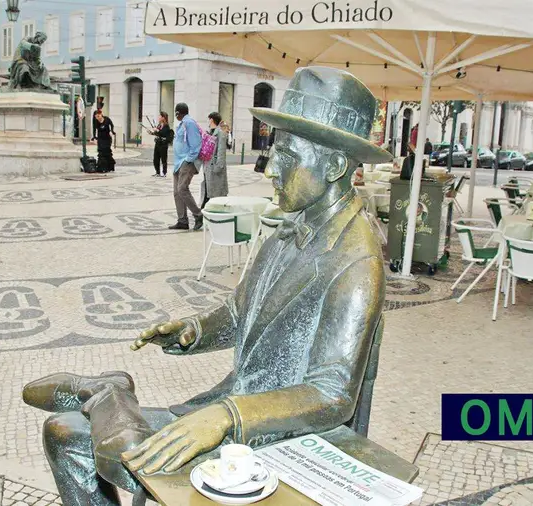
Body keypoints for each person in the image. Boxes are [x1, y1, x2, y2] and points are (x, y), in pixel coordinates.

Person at [21, 66, 391, 506]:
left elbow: (332, 394)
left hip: (277, 434)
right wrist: (194, 330)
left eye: (287, 156)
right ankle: (108, 397)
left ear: (332, 166)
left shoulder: (356, 259)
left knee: (90, 440)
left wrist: (225, 417)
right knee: (65, 434)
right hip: (234, 407)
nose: (270, 168)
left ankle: (106, 396)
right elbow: (240, 312)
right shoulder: (288, 226)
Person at [168, 103, 203, 231]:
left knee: (182, 188)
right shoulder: (182, 124)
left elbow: (196, 144)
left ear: (178, 113)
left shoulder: (189, 123)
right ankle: (182, 220)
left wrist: (188, 160)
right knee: (177, 192)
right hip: (178, 162)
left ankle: (198, 215)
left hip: (186, 162)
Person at [201, 112, 229, 208]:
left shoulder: (221, 133)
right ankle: (205, 209)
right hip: (207, 167)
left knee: (217, 193)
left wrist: (218, 167)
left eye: (209, 119)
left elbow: (221, 152)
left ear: (212, 119)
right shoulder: (208, 133)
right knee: (208, 190)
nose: (208, 122)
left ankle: (209, 210)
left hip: (215, 168)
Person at [151, 111, 172, 177]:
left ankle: (164, 172)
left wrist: (157, 131)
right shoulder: (159, 125)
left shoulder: (166, 126)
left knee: (163, 159)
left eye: (160, 116)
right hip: (157, 143)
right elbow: (158, 134)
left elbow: (163, 133)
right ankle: (157, 172)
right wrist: (152, 132)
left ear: (163, 117)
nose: (159, 117)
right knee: (155, 159)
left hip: (163, 144)